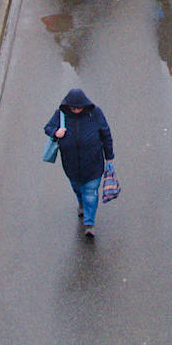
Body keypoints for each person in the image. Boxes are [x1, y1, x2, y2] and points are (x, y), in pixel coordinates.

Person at [44, 89, 114, 239]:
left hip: (93, 166)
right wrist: (56, 133)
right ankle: (80, 203)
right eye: (73, 108)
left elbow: (106, 135)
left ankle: (89, 223)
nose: (76, 110)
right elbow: (48, 128)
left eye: (78, 107)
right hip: (71, 166)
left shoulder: (95, 114)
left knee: (90, 193)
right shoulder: (61, 115)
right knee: (77, 189)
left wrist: (110, 157)